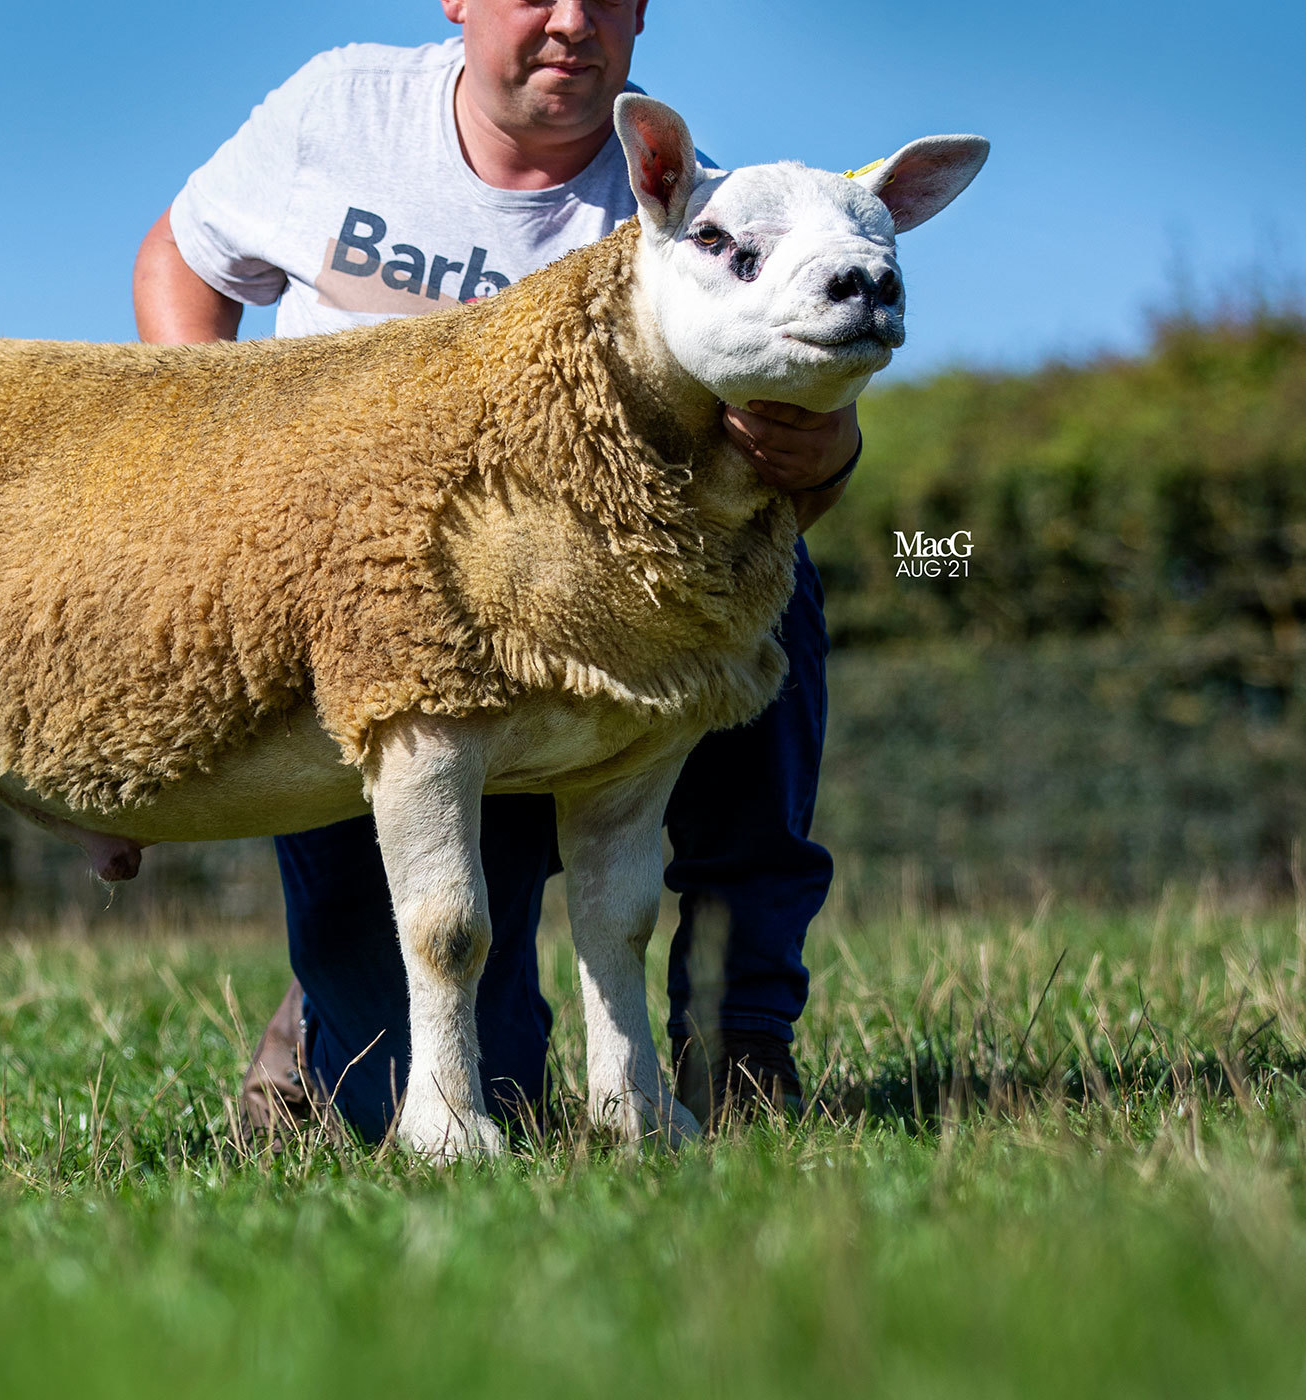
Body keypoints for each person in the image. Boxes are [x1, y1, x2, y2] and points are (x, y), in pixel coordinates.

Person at [131, 0, 859, 1142]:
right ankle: (322, 1025)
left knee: (771, 584)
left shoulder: (695, 212)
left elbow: (781, 470)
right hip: (356, 632)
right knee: (453, 1095)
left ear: (642, 14)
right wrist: (216, 462)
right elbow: (183, 252)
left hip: (571, 632)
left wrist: (830, 450)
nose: (571, 20)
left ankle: (739, 1042)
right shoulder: (345, 110)